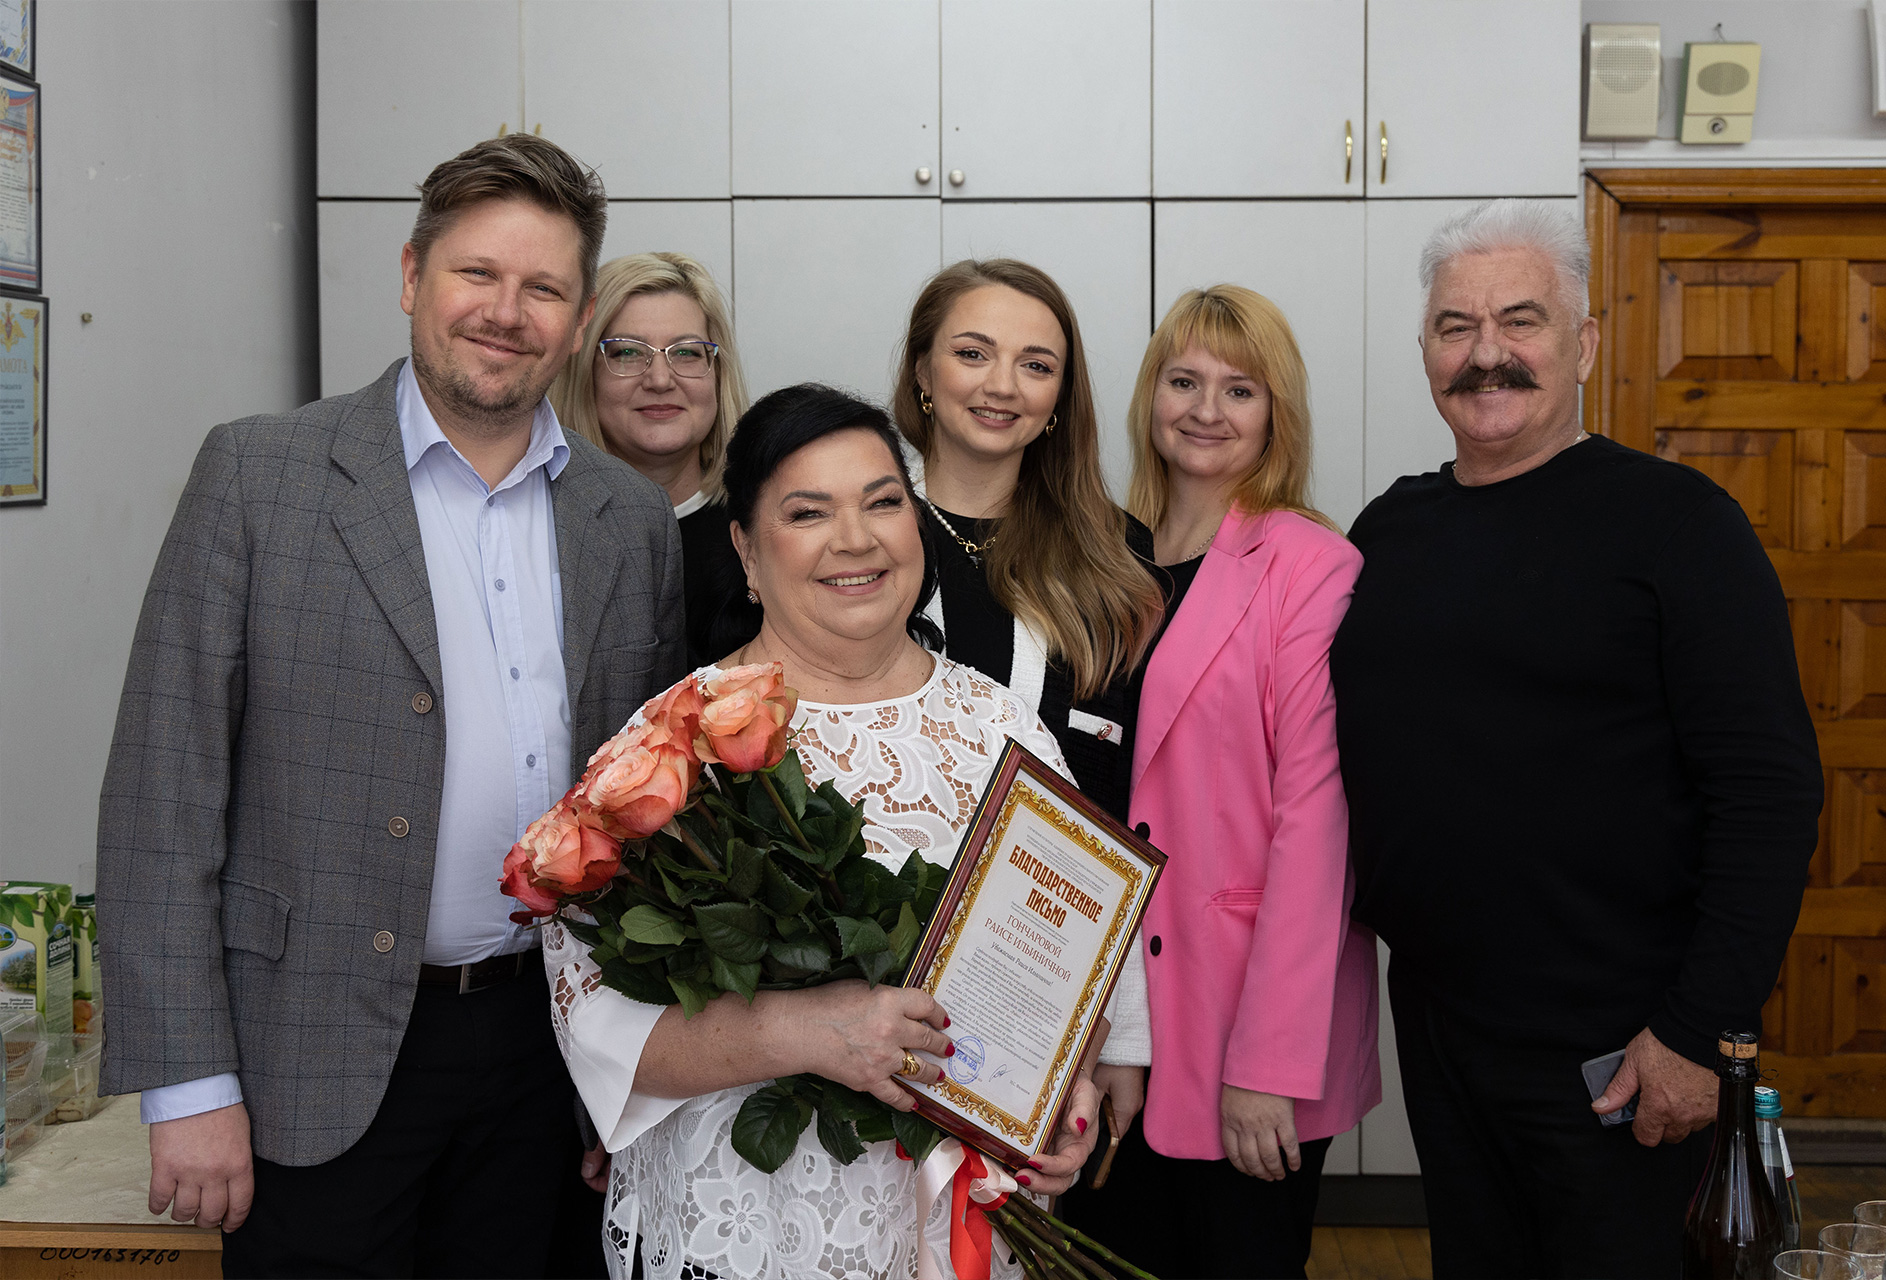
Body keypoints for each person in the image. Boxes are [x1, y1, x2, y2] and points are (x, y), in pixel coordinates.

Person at [95, 134, 685, 1276]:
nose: (505, 311)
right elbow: (161, 797)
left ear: (578, 320)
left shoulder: (628, 519)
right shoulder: (258, 477)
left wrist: (629, 1078)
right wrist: (187, 1083)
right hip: (308, 1057)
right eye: (477, 273)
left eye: (543, 288)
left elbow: (642, 817)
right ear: (412, 276)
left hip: (545, 1059)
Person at [1329, 199, 1823, 1278]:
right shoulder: (1390, 531)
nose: (1487, 353)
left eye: (1522, 320)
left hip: (1626, 1043)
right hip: (1443, 1026)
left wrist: (1698, 1031)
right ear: (1426, 351)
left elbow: (1769, 792)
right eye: (1456, 326)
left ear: (1584, 343)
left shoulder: (1681, 525)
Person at [544, 384, 1127, 1280]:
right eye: (808, 512)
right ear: (746, 549)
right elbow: (593, 1018)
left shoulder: (1003, 727)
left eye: (883, 502)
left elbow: (1075, 966)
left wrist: (1062, 1099)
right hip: (751, 1221)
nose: (855, 539)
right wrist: (806, 1031)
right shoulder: (671, 750)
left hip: (960, 1219)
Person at [1060, 286, 1381, 1279]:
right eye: (1184, 381)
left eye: (1240, 389)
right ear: (1149, 396)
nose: (1207, 409)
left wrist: (1268, 1063)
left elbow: (1317, 825)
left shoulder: (1311, 565)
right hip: (1118, 1010)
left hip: (1245, 1011)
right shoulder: (1109, 558)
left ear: (1276, 412)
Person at [890, 259, 1164, 824]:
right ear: (922, 371)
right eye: (972, 354)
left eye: (1036, 365)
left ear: (1061, 394)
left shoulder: (1117, 551)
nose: (1002, 386)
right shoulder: (860, 538)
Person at [552, 251, 750, 664]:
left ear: (718, 374)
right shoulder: (540, 530)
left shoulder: (764, 526)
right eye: (627, 352)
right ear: (584, 374)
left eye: (687, 352)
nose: (660, 379)